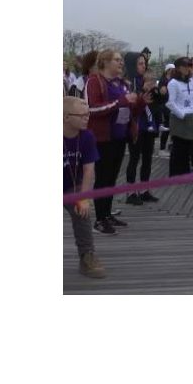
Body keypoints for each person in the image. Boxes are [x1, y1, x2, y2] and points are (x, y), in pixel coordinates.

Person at [85, 50, 147, 233]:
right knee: (102, 178)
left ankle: (107, 214)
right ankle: (99, 220)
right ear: (105, 62)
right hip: (102, 138)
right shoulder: (95, 81)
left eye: (121, 60)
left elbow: (130, 110)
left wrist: (141, 102)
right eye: (117, 60)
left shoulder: (122, 83)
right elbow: (92, 110)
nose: (121, 63)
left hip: (120, 137)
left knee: (112, 178)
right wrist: (120, 101)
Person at [63, 97, 105, 278]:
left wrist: (84, 198)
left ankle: (87, 255)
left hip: (72, 185)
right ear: (66, 117)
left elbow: (89, 169)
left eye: (87, 114)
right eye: (81, 115)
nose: (86, 118)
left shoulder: (87, 136)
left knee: (82, 211)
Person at [123, 53, 161, 205]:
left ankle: (144, 189)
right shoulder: (129, 83)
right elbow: (130, 105)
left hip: (149, 125)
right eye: (140, 63)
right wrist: (141, 91)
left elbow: (158, 103)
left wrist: (158, 92)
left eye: (144, 63)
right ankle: (131, 192)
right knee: (134, 158)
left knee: (147, 158)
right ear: (132, 65)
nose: (143, 66)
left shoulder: (146, 80)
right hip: (136, 125)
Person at [166, 56, 193, 176]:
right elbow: (170, 103)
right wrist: (182, 114)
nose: (188, 68)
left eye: (190, 66)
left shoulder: (191, 81)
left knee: (187, 147)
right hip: (179, 118)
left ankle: (185, 173)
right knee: (178, 148)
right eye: (186, 66)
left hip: (192, 117)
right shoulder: (173, 83)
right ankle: (174, 174)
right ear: (179, 68)